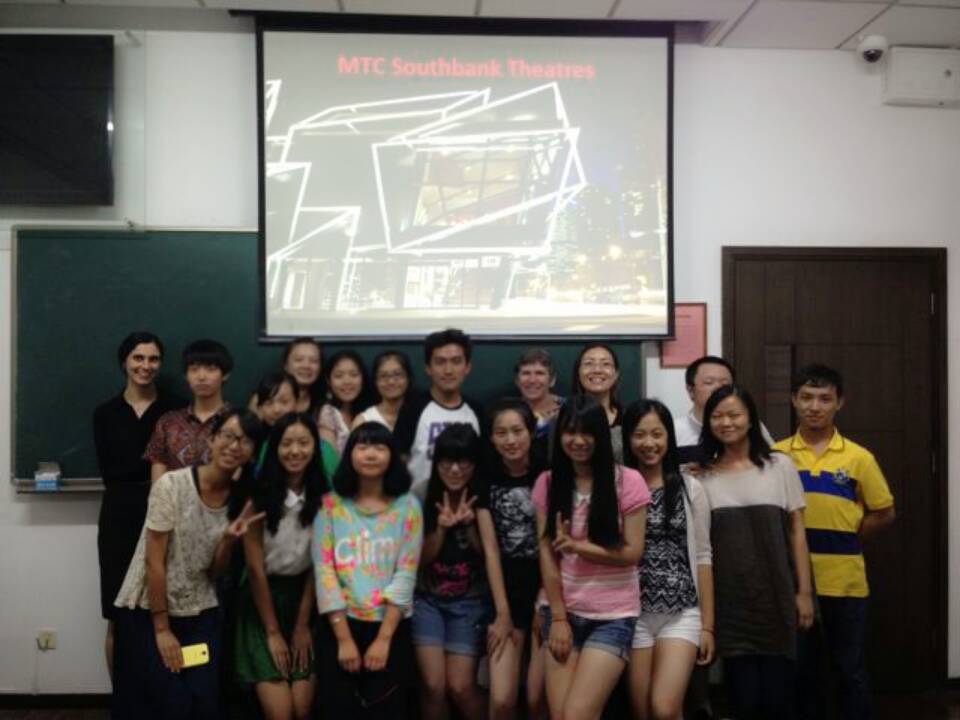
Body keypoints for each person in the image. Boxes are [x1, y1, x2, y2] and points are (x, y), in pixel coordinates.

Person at [112, 409, 266, 720]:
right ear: (211, 439)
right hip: (149, 610)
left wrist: (228, 541)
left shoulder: (241, 502)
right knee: (169, 701)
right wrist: (162, 630)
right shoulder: (171, 485)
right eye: (227, 436)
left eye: (245, 440)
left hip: (199, 612)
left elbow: (215, 574)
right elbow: (154, 562)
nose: (234, 445)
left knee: (203, 702)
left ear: (252, 452)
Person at [774, 364, 894, 720]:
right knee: (801, 671)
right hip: (794, 584)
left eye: (825, 399)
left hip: (845, 582)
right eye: (807, 397)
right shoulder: (776, 455)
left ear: (839, 403)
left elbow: (884, 511)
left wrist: (849, 535)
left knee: (849, 669)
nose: (815, 406)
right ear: (794, 400)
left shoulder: (859, 457)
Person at [698, 385, 813, 720]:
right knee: (744, 701)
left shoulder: (780, 465)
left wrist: (804, 593)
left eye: (734, 414)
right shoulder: (703, 477)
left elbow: (797, 530)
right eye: (717, 416)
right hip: (732, 603)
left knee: (780, 700)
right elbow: (704, 551)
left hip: (778, 595)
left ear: (750, 419)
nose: (726, 422)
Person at [532, 395, 650, 720]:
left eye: (587, 432)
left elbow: (632, 553)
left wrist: (578, 547)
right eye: (570, 432)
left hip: (613, 615)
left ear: (601, 435)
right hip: (563, 613)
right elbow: (547, 555)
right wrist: (558, 618)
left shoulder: (628, 481)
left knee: (577, 714)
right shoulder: (548, 483)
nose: (579, 441)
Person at [313, 422, 423, 720]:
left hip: (391, 625)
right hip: (340, 624)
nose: (371, 454)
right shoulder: (330, 505)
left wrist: (384, 639)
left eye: (379, 447)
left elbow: (406, 572)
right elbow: (324, 572)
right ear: (350, 454)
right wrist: (344, 639)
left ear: (392, 455)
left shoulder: (408, 506)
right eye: (362, 447)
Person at [93, 332, 184, 680]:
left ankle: (166, 695)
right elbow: (109, 471)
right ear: (125, 362)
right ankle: (123, 698)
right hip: (119, 517)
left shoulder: (176, 410)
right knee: (119, 615)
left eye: (153, 359)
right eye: (138, 358)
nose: (146, 366)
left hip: (167, 516)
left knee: (167, 612)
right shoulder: (105, 413)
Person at [621, 400, 715, 720]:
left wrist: (708, 626)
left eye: (657, 434)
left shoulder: (690, 488)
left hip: (682, 612)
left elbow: (703, 556)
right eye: (639, 435)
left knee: (664, 708)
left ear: (668, 437)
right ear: (628, 439)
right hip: (633, 613)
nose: (649, 443)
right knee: (642, 711)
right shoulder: (619, 488)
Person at [234, 413, 325, 720]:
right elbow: (255, 570)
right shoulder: (257, 499)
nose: (295, 451)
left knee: (301, 708)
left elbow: (318, 565)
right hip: (262, 602)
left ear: (314, 448)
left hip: (304, 600)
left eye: (303, 442)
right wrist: (272, 632)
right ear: (274, 449)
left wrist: (301, 626)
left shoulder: (324, 500)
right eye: (286, 443)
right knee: (282, 712)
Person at [413, 424, 487, 720]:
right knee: (433, 685)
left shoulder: (483, 495)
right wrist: (441, 529)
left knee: (460, 687)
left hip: (470, 601)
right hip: (426, 599)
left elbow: (492, 559)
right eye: (447, 462)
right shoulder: (421, 495)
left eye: (463, 462)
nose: (455, 470)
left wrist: (470, 526)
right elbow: (415, 561)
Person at [476, 399, 544, 720]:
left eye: (518, 430)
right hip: (504, 593)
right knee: (502, 700)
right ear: (491, 437)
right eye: (501, 433)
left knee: (537, 698)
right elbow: (490, 550)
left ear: (531, 432)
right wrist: (502, 612)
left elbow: (552, 545)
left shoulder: (547, 473)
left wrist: (544, 601)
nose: (511, 440)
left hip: (547, 593)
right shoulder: (484, 478)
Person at [395, 328, 483, 490]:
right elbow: (398, 462)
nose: (448, 370)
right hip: (417, 503)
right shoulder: (412, 410)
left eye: (456, 361)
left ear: (467, 367)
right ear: (428, 368)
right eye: (440, 362)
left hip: (467, 503)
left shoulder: (477, 411)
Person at [144, 339, 234, 482]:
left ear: (225, 374)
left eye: (211, 369)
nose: (201, 377)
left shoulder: (238, 422)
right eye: (194, 369)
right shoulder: (168, 422)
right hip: (173, 496)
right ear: (186, 375)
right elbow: (158, 485)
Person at [674, 355, 773, 455]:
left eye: (725, 384)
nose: (718, 388)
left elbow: (770, 459)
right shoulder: (675, 431)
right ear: (691, 391)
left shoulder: (748, 426)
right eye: (709, 383)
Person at [571, 343, 625, 463]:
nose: (597, 370)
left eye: (606, 364)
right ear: (578, 372)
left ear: (616, 374)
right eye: (589, 363)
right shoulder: (563, 419)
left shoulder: (628, 419)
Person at [317, 349, 370, 457]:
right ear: (329, 381)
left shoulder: (370, 412)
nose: (347, 382)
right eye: (339, 376)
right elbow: (330, 460)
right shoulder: (328, 413)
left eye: (354, 375)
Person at [514, 349, 562, 447]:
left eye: (540, 373)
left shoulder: (569, 410)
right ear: (517, 381)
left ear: (552, 380)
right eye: (526, 373)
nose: (532, 380)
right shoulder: (507, 412)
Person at [353, 350, 413, 431]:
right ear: (375, 381)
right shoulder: (364, 420)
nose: (391, 381)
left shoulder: (420, 415)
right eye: (384, 376)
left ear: (408, 378)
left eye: (397, 374)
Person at [282, 340, 324, 414]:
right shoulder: (266, 401)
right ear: (286, 365)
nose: (306, 366)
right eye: (299, 360)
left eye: (313, 361)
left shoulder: (325, 406)